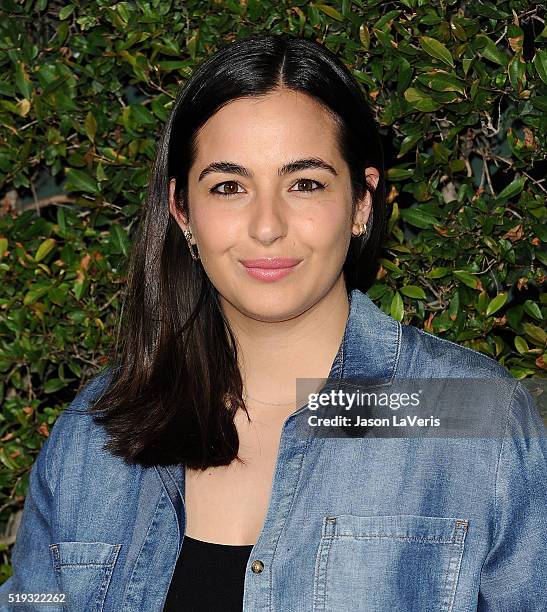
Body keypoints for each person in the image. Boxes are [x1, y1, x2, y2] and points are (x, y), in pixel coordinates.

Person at [1, 33, 545, 612]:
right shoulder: (95, 435)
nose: (267, 226)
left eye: (304, 183)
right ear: (182, 210)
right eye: (229, 187)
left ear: (362, 202)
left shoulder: (472, 417)